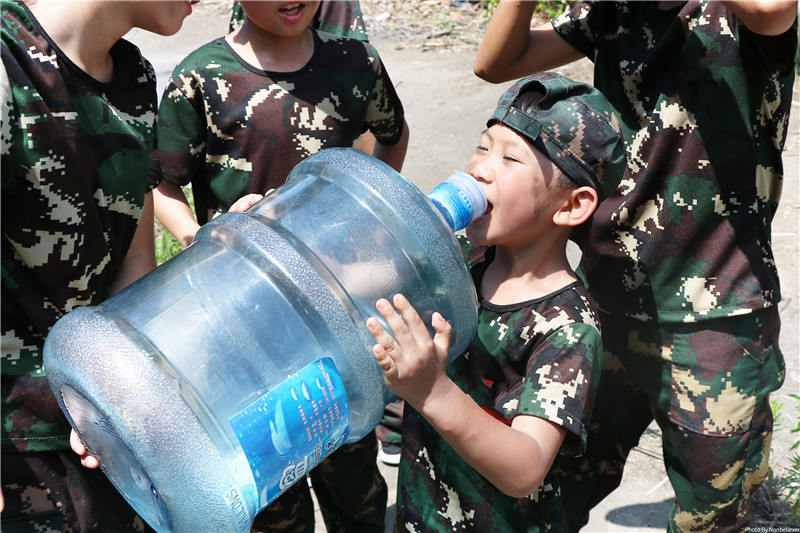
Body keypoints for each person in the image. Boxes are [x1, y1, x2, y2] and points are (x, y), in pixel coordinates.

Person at [474, 1, 798, 531]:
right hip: (607, 299)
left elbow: (773, 8)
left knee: (709, 518)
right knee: (549, 487)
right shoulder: (611, 10)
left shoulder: (733, 19)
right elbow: (494, 62)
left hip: (716, 321)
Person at [149, 2, 409, 532]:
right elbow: (162, 180)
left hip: (339, 310)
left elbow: (393, 130)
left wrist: (370, 210)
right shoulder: (201, 77)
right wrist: (200, 238)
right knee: (273, 489)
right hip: (243, 323)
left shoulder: (355, 61)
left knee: (352, 476)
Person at [365, 72, 627, 532]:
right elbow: (356, 278)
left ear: (570, 206)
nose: (480, 168)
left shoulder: (566, 328)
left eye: (509, 158)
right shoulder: (462, 260)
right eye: (483, 147)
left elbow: (525, 469)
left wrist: (431, 390)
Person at [1, 0, 196, 530]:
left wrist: (109, 389)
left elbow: (134, 255)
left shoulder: (134, 76)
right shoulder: (8, 62)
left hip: (97, 435)